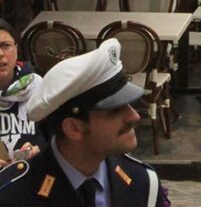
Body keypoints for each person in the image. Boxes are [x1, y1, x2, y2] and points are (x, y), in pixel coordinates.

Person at [0, 38, 167, 205]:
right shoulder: (14, 195)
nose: (135, 117)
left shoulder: (142, 183)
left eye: (129, 105)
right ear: (74, 128)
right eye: (114, 111)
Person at [0, 19, 43, 165]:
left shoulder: (38, 87)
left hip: (33, 177)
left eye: (5, 46)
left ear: (16, 50)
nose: (0, 53)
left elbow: (58, 141)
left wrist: (39, 151)